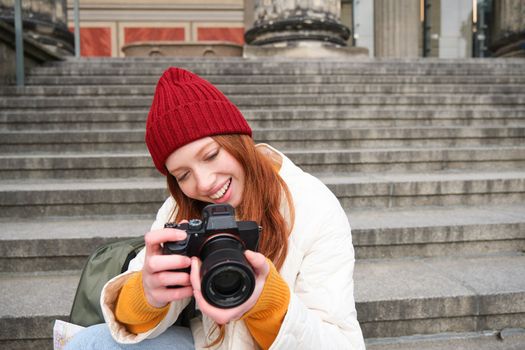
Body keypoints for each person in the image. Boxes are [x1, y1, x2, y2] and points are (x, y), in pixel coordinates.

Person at [66, 67, 365, 350]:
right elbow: (135, 305)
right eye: (183, 175)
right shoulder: (181, 208)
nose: (205, 183)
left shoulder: (313, 205)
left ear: (237, 140)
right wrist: (146, 294)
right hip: (210, 343)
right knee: (88, 343)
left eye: (210, 155)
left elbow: (341, 343)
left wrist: (268, 303)